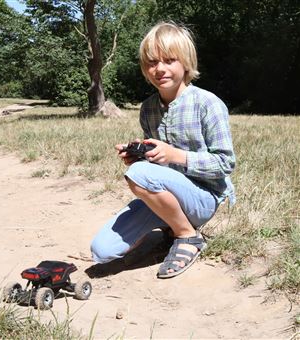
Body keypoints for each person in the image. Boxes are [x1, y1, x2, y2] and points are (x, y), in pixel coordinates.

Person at [90, 22, 236, 279]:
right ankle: (170, 222)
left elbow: (225, 163)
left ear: (186, 63)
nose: (160, 69)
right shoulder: (148, 109)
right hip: (166, 192)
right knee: (101, 251)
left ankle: (187, 235)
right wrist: (140, 155)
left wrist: (175, 156)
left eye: (169, 60)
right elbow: (155, 167)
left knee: (141, 174)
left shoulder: (207, 104)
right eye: (152, 62)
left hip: (204, 196)